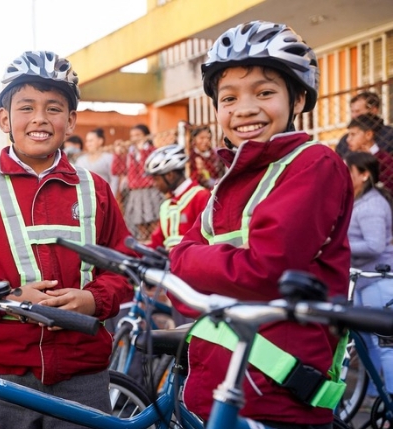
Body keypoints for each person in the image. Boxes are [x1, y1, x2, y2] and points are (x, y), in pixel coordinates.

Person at [0, 50, 133, 429]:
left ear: (71, 121)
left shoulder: (96, 188)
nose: (40, 118)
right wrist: (10, 296)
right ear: (4, 119)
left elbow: (123, 269)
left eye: (54, 108)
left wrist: (93, 300)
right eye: (26, 107)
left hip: (83, 371)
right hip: (1, 371)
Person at [169, 21, 353, 428]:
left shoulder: (313, 164)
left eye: (265, 92)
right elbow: (178, 283)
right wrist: (197, 267)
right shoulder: (227, 183)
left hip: (276, 397)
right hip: (214, 389)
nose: (245, 109)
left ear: (298, 98)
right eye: (229, 97)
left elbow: (266, 270)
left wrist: (193, 262)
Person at [344, 151, 393, 408]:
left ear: (364, 175)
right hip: (364, 282)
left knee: (385, 346)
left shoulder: (372, 205)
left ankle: (390, 405)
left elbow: (375, 246)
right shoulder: (359, 201)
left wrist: (339, 245)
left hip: (379, 283)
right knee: (366, 344)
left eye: (348, 170)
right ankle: (375, 397)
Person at [145, 144, 211, 251]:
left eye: (156, 179)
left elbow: (207, 239)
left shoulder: (201, 197)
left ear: (170, 175)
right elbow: (157, 242)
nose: (155, 184)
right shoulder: (167, 205)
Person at [112, 124, 164, 241]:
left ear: (146, 136)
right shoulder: (130, 153)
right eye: (132, 136)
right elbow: (117, 171)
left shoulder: (152, 150)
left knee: (154, 222)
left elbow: (147, 170)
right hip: (135, 192)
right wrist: (118, 154)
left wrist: (143, 150)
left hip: (150, 190)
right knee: (139, 224)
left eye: (138, 135)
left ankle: (155, 243)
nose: (135, 138)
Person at [346, 113, 393, 193]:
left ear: (368, 135)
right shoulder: (350, 158)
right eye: (348, 135)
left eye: (353, 134)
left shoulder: (385, 160)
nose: (348, 139)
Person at [336, 91, 393, 157]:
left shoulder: (390, 135)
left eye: (357, 111)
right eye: (352, 111)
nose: (353, 115)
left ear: (373, 110)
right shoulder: (345, 140)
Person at [74, 128, 118, 194]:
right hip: (85, 196)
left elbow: (114, 179)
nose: (88, 144)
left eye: (91, 141)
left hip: (103, 196)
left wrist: (111, 196)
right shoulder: (81, 160)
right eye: (87, 141)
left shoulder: (109, 158)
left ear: (100, 141)